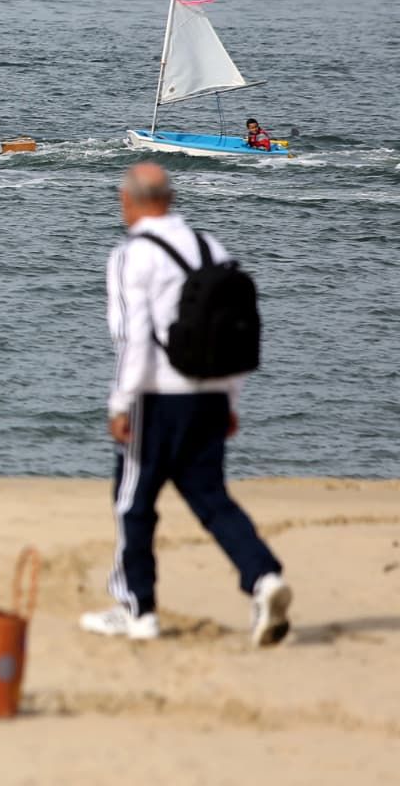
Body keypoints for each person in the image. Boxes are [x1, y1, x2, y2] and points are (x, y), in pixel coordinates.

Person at [80, 163, 290, 646]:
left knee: (134, 502)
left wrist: (121, 404)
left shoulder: (131, 255)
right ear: (170, 198)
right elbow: (233, 327)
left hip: (157, 399)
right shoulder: (210, 247)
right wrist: (230, 397)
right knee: (211, 498)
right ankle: (264, 578)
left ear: (128, 200)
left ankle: (138, 610)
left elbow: (133, 339)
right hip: (212, 393)